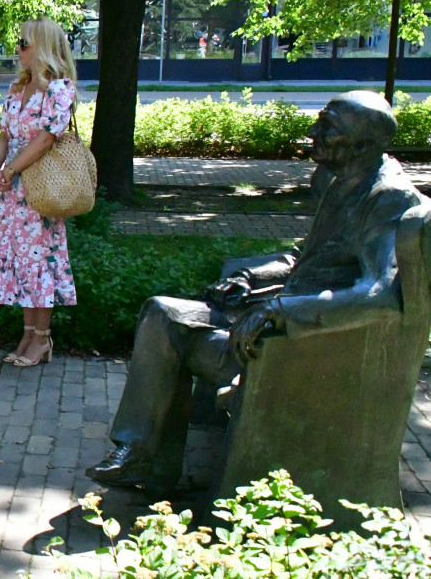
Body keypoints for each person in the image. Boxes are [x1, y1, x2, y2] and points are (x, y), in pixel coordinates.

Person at [86, 91, 424, 495]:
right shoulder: (337, 178)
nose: (313, 132)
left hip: (303, 348)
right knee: (162, 313)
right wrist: (250, 276)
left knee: (166, 323)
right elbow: (308, 257)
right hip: (282, 325)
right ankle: (142, 453)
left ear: (365, 145)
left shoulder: (386, 196)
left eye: (329, 128)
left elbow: (381, 295)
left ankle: (146, 456)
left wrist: (281, 310)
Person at [0, 17, 79, 367]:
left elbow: (46, 138)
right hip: (11, 191)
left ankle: (41, 339)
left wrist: (11, 169)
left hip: (40, 189)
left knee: (41, 263)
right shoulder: (15, 89)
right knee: (22, 264)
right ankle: (27, 333)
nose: (18, 49)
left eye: (24, 43)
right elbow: (4, 134)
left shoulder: (58, 89)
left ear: (43, 47)